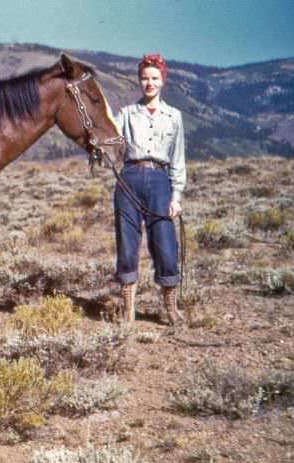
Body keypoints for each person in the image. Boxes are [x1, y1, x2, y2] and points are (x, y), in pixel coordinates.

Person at [113, 53, 185, 324]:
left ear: (163, 81)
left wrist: (176, 196)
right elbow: (110, 137)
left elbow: (178, 159)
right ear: (139, 81)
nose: (149, 83)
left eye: (155, 78)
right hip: (129, 178)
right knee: (127, 244)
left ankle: (170, 308)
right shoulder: (127, 114)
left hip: (160, 181)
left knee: (165, 244)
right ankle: (128, 310)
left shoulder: (174, 117)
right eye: (145, 78)